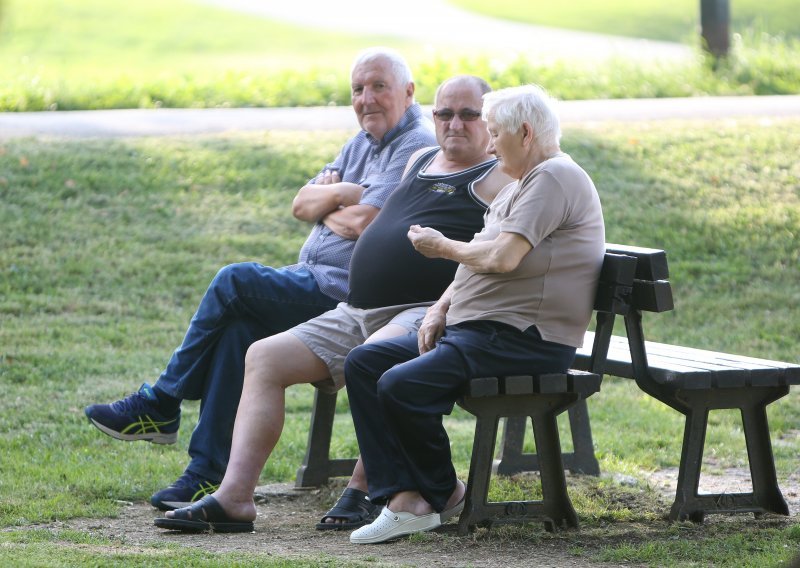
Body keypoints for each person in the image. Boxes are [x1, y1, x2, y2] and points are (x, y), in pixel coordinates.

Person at [152, 75, 513, 533]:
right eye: (445, 113)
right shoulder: (421, 159)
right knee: (262, 356)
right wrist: (342, 200)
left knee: (374, 362)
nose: (454, 124)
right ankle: (234, 497)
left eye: (469, 114)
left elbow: (507, 242)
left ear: (491, 121)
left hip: (423, 308)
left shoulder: (499, 175)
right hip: (355, 309)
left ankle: (366, 490)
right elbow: (371, 214)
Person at [83, 46, 437, 510]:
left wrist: (334, 196)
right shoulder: (361, 143)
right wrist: (342, 196)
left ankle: (164, 400)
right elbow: (299, 204)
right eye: (357, 89)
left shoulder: (413, 144)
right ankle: (205, 475)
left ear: (408, 92)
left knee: (235, 281)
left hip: (343, 295)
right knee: (238, 332)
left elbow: (364, 223)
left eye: (378, 87)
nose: (366, 98)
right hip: (310, 279)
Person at [343, 84, 606, 544]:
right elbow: (482, 254)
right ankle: (403, 497)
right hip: (479, 332)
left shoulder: (554, 178)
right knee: (366, 363)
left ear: (525, 133)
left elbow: (502, 258)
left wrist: (440, 247)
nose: (488, 143)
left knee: (400, 385)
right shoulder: (520, 185)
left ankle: (444, 494)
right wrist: (440, 308)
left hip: (524, 339)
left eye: (495, 132)